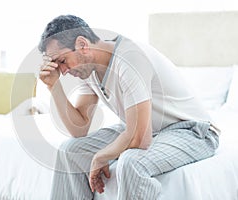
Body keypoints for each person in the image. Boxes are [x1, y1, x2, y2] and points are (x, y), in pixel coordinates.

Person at [38, 15, 219, 200]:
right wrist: (54, 86)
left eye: (62, 61)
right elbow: (79, 128)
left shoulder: (130, 58)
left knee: (131, 162)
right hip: (148, 129)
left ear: (82, 45)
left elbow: (140, 138)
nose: (63, 70)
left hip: (192, 131)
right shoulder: (89, 69)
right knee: (70, 150)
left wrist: (101, 156)